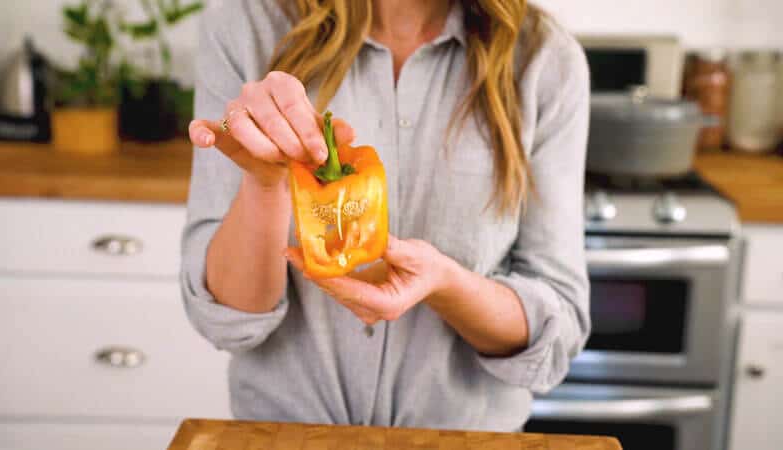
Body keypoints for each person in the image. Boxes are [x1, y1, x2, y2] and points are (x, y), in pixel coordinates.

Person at [183, 0, 590, 431]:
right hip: (285, 438)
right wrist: (264, 184)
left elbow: (559, 330)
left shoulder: (544, 59)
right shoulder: (244, 28)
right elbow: (226, 322)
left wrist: (448, 286)